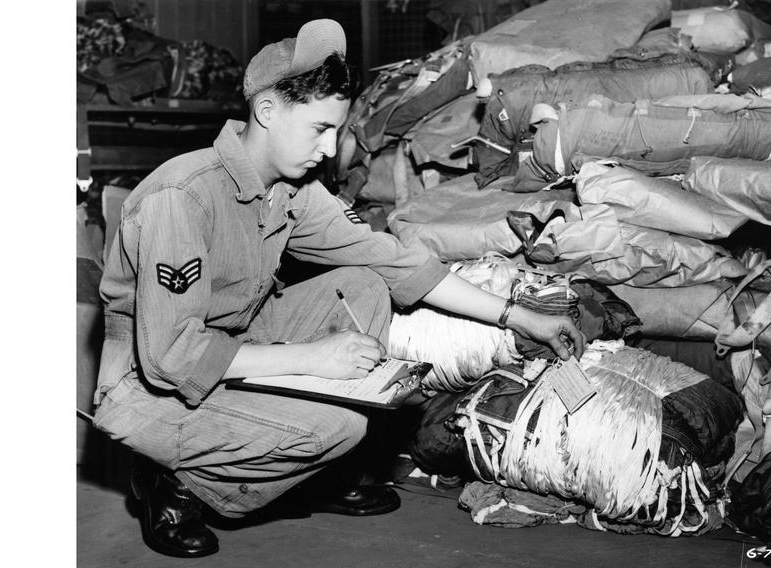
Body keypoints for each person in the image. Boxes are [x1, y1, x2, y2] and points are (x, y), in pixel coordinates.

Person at [92, 19, 586, 558]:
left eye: (336, 131)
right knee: (340, 428)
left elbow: (395, 262)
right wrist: (315, 358)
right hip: (147, 381)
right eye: (319, 129)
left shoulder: (288, 188)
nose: (329, 150)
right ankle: (174, 484)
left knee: (365, 285)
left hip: (232, 342)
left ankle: (292, 460)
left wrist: (519, 315)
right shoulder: (182, 196)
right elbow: (171, 355)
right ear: (267, 112)